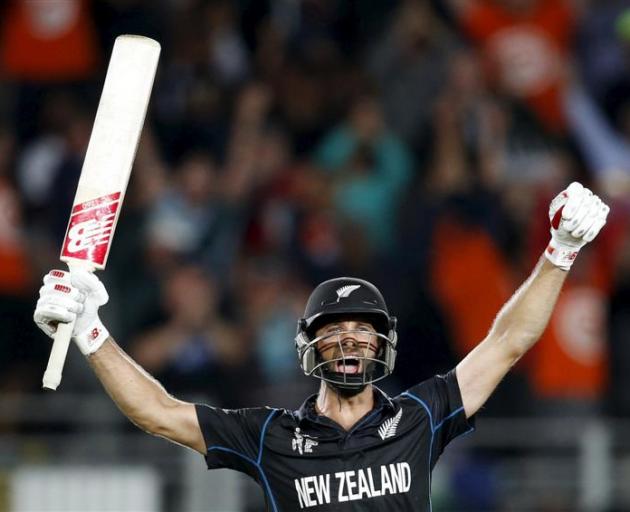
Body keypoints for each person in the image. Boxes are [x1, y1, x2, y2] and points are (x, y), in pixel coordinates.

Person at [33, 182, 609, 510]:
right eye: (334, 328)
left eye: (364, 328)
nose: (351, 337)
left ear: (384, 342)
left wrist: (559, 250)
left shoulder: (421, 417)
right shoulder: (268, 436)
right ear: (310, 345)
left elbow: (508, 341)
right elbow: (157, 413)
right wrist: (90, 329)